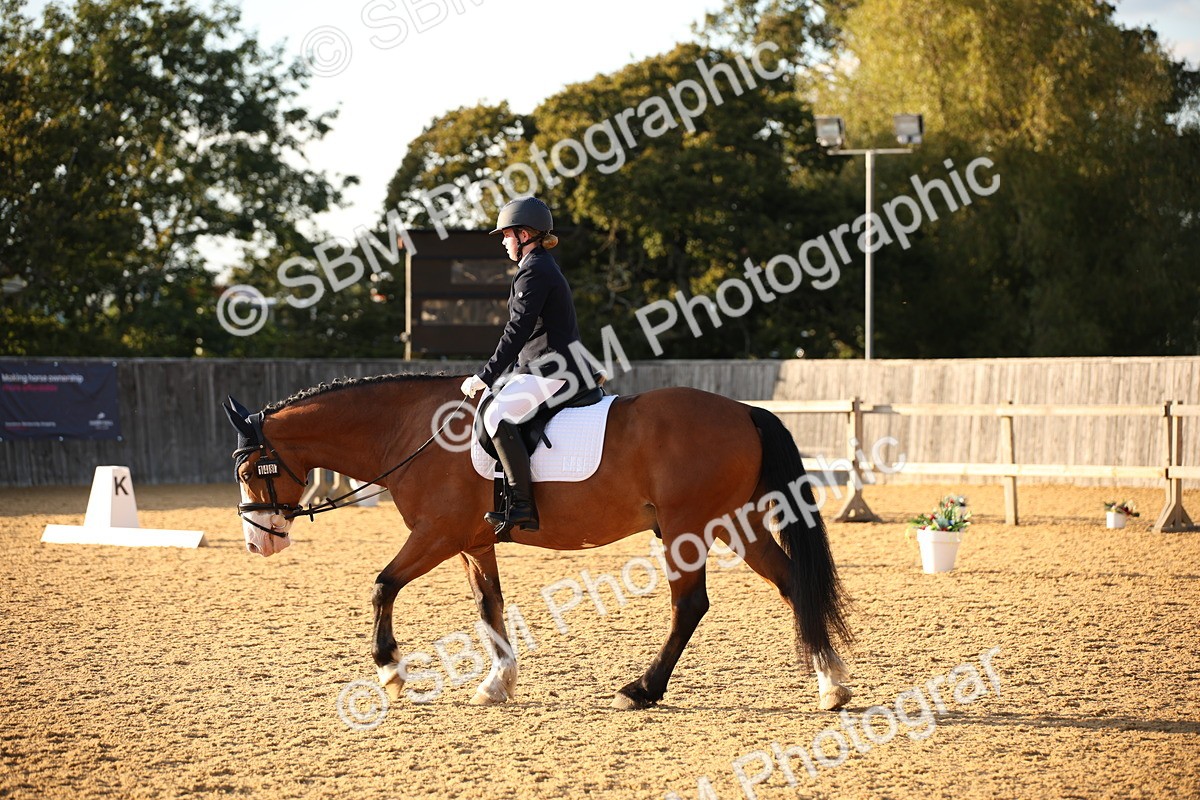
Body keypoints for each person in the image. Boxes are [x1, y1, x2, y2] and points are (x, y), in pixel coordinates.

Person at [460, 197, 590, 535]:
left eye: (506, 235)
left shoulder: (534, 271)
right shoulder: (541, 266)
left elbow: (516, 331)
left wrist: (485, 376)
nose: (504, 242)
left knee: (496, 416)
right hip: (545, 365)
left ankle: (521, 505)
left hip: (552, 368)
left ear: (523, 234)